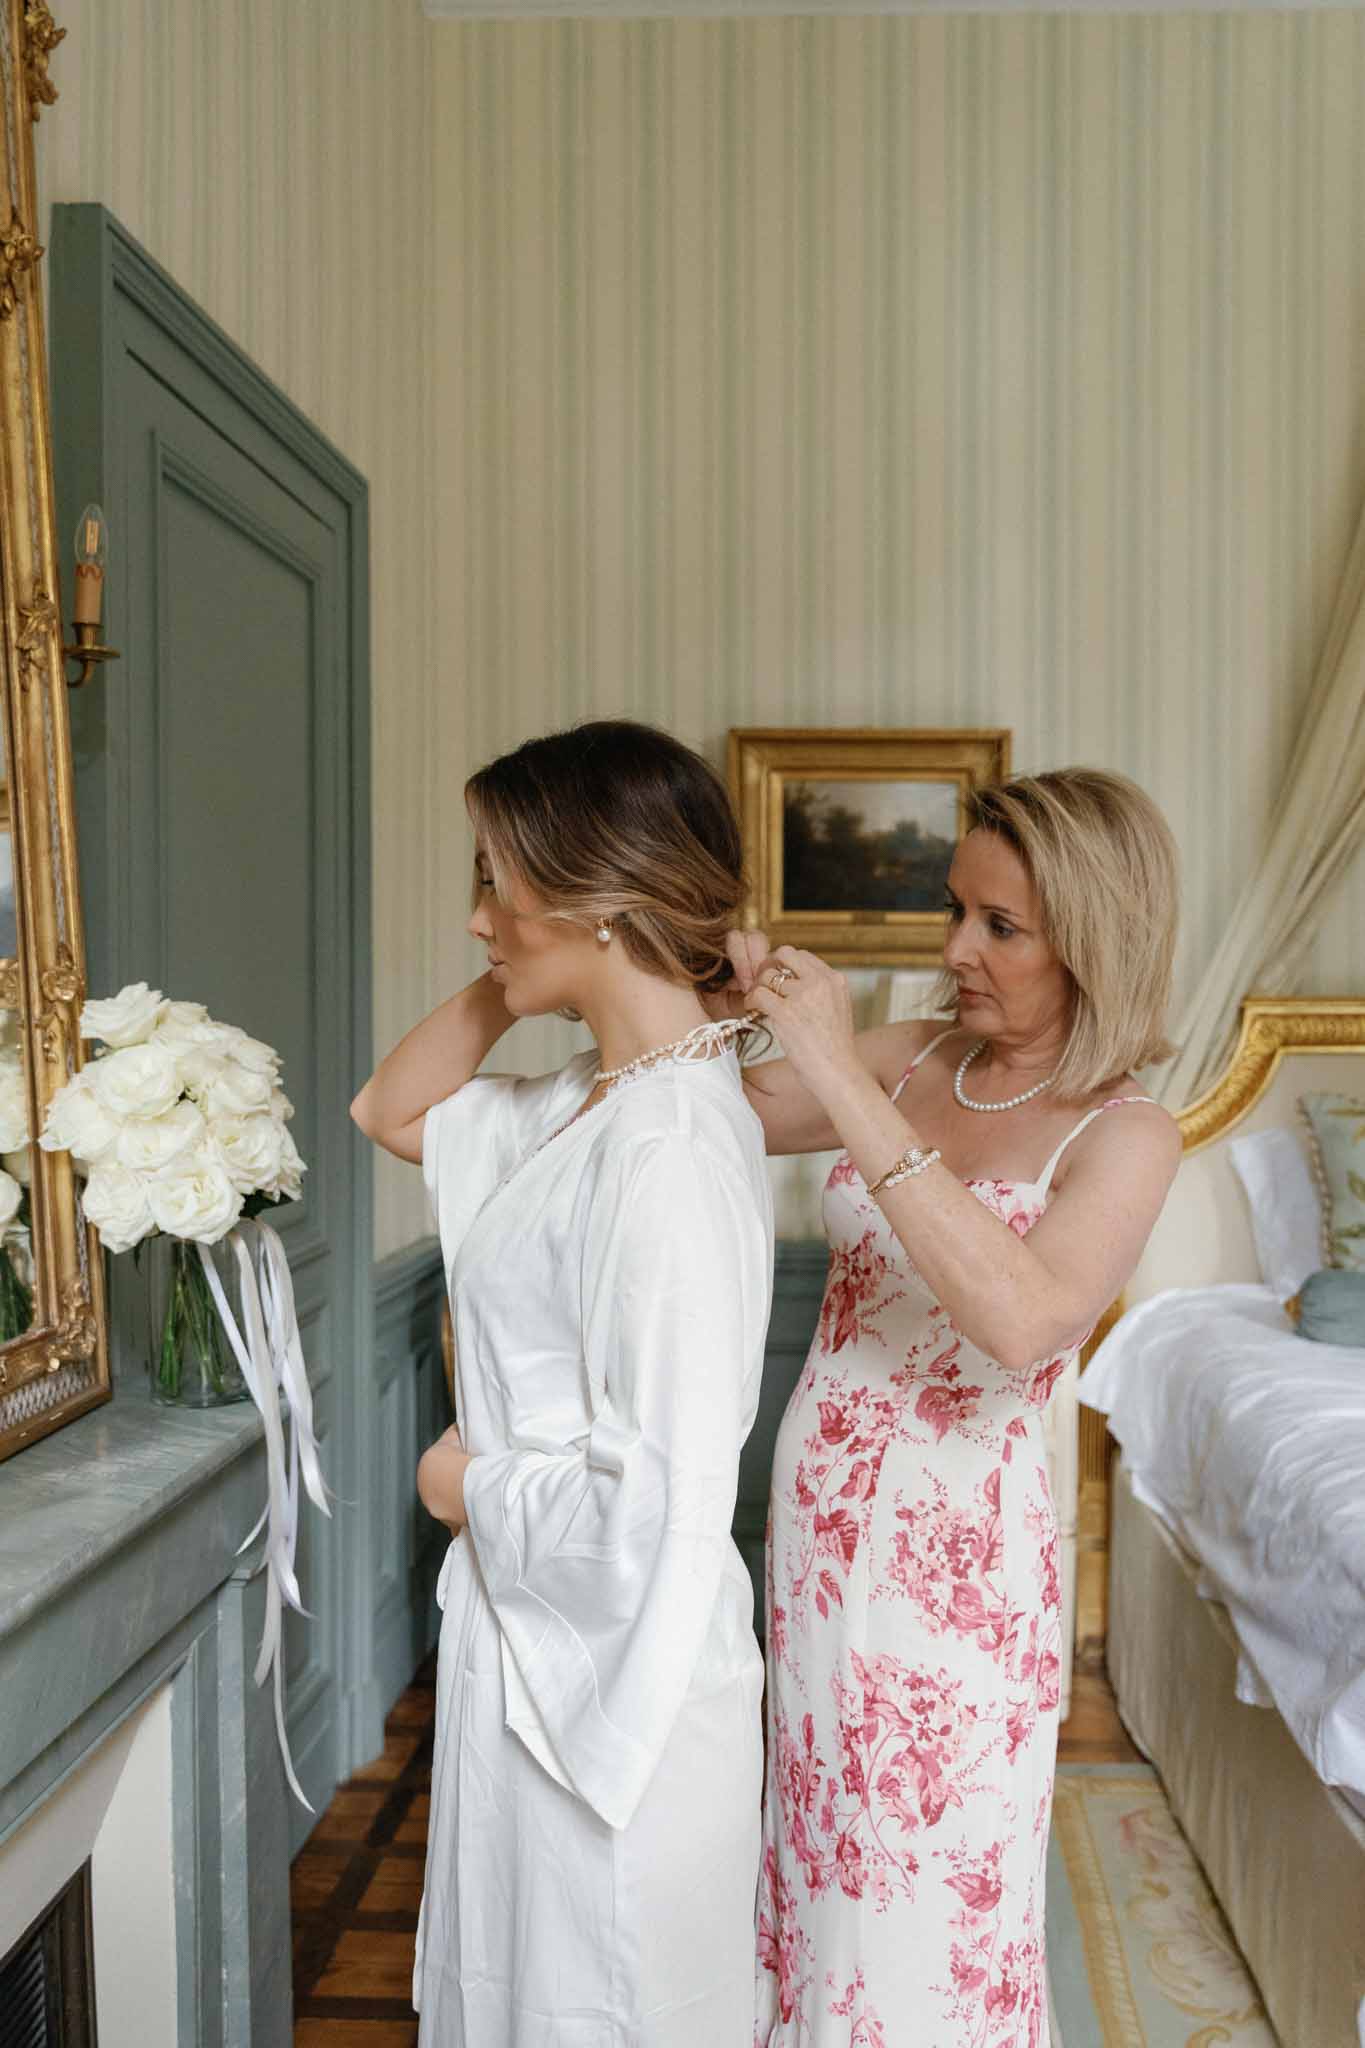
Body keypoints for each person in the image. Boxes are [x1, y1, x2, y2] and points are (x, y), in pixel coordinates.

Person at [730, 768, 1182, 2048]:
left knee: (929, 1913)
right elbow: (738, 1105)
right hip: (819, 1552)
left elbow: (1024, 1315)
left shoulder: (1128, 1132)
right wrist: (720, 981)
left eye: (1001, 925)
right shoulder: (919, 1053)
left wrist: (844, 1075)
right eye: (955, 909)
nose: (953, 950)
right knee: (819, 1876)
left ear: (1094, 940)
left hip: (959, 1589)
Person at [351, 720, 777, 2048]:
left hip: (616, 1684)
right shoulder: (585, 1103)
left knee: (607, 2009)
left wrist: (457, 1479)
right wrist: (527, 970)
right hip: (534, 1644)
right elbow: (391, 1111)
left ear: (597, 894)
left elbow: (655, 1501)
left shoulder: (668, 1147)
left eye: (496, 881)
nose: (476, 918)